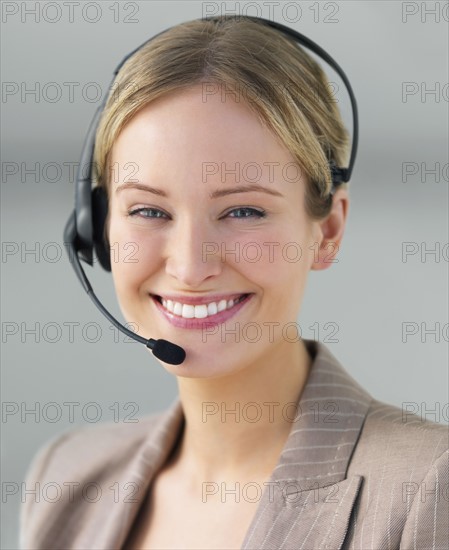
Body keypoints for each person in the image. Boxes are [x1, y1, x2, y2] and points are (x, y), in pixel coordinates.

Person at [21, 15, 448, 550]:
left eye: (243, 210)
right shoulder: (67, 477)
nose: (190, 265)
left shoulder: (427, 488)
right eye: (149, 211)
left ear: (328, 229)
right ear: (95, 226)